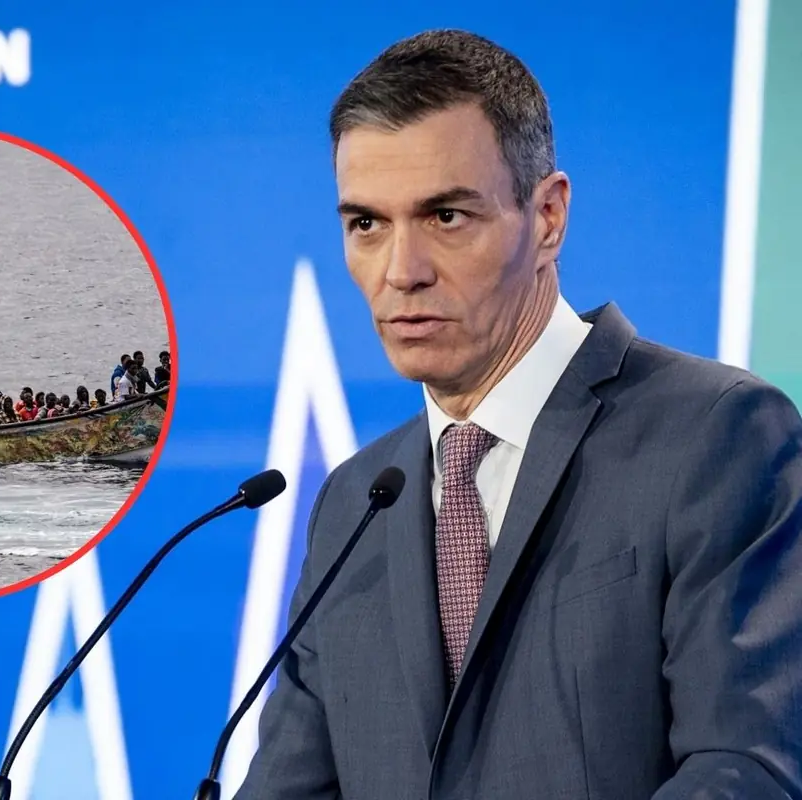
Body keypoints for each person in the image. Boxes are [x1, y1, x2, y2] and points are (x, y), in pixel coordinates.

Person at [235, 30, 802, 800]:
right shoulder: (356, 501)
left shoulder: (717, 437)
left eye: (446, 216)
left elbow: (747, 769)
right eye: (366, 224)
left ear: (547, 216)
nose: (401, 272)